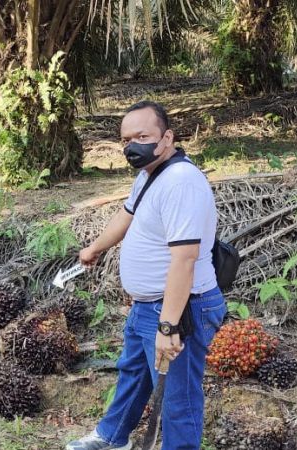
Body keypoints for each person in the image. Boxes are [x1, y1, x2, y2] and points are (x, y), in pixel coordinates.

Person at [66, 101, 226, 450]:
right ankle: (112, 438)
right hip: (147, 305)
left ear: (167, 137)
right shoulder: (151, 174)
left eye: (142, 136)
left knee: (177, 397)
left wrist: (168, 327)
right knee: (135, 374)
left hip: (179, 309)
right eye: (126, 140)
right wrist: (95, 248)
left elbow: (185, 260)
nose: (132, 146)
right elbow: (127, 216)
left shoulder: (181, 182)